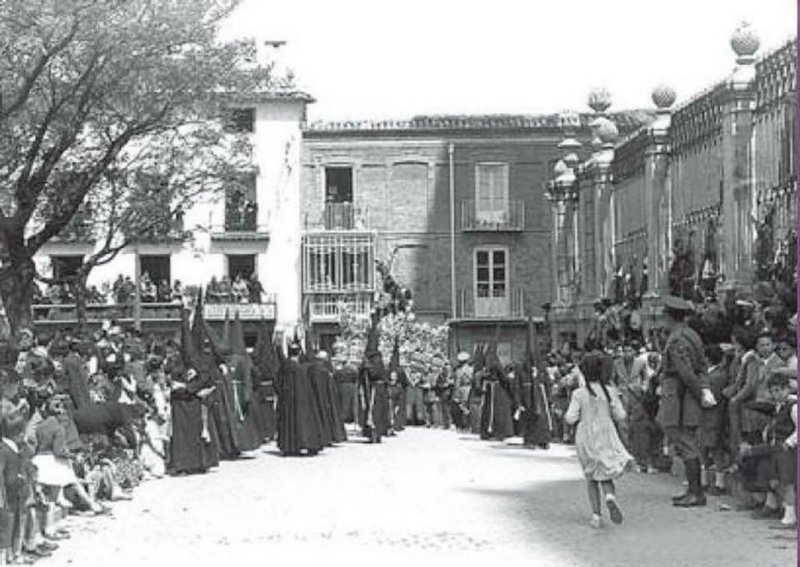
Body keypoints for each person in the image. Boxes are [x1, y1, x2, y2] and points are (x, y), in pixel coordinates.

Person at [656, 296, 717, 508]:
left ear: (669, 316)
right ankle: (693, 490)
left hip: (681, 397)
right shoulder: (691, 335)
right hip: (685, 394)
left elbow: (686, 373)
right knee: (687, 442)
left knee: (686, 442)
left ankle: (696, 492)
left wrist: (699, 393)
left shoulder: (677, 340)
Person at [565, 349, 632, 528]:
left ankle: (596, 515)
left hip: (585, 436)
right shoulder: (610, 391)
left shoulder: (579, 394)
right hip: (606, 433)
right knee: (606, 471)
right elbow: (620, 415)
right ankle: (610, 496)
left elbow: (570, 417)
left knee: (591, 476)